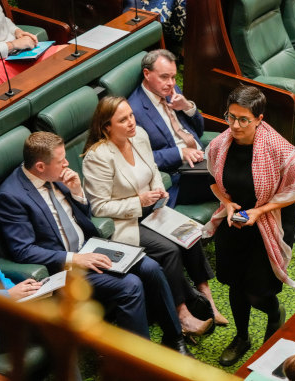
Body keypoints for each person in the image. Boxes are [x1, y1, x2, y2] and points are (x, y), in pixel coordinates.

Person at [0, 132, 191, 356]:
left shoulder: (55, 176)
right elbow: (23, 251)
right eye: (61, 161)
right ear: (40, 166)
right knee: (130, 285)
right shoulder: (11, 197)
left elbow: (82, 216)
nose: (67, 164)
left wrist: (77, 192)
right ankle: (136, 364)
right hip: (65, 268)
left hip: (90, 248)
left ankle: (175, 339)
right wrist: (75, 258)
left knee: (151, 267)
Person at [81, 96, 226, 337]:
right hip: (125, 222)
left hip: (154, 209)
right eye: (122, 120)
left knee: (190, 235)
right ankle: (182, 314)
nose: (131, 122)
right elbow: (99, 207)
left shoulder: (138, 135)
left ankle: (206, 299)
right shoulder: (98, 157)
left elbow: (153, 172)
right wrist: (138, 202)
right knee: (169, 250)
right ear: (106, 127)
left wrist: (160, 192)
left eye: (131, 115)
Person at [204, 86, 295, 366]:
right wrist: (227, 205)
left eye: (243, 120)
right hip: (236, 219)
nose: (235, 126)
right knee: (235, 284)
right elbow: (215, 182)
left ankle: (275, 314)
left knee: (258, 291)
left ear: (259, 118)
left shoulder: (278, 149)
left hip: (270, 219)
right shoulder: (220, 144)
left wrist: (260, 210)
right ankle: (242, 337)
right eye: (231, 117)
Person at [128, 49, 212, 208]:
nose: (171, 83)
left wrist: (187, 107)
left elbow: (199, 131)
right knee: (235, 182)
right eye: (164, 77)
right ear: (147, 74)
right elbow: (140, 158)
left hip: (201, 158)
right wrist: (180, 153)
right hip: (180, 175)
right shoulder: (134, 111)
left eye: (173, 77)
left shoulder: (170, 91)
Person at [0, 0, 66, 87]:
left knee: (70, 54)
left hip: (17, 53)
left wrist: (17, 31)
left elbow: (1, 18)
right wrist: (12, 45)